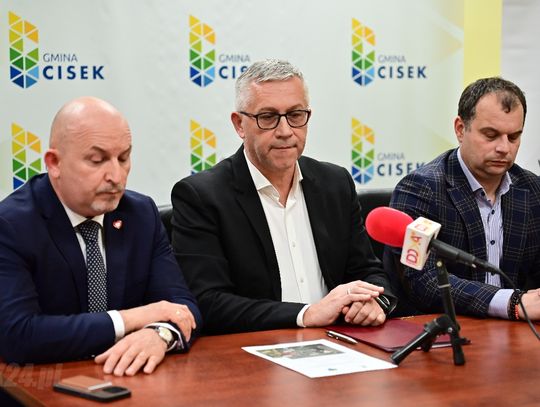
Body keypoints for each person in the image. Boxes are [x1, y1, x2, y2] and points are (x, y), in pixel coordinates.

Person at [171, 59, 396, 335]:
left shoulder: (335, 184)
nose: (285, 131)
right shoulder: (201, 196)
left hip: (340, 342)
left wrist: (374, 302)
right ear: (239, 124)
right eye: (267, 117)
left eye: (295, 115)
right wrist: (306, 314)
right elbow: (208, 302)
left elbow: (368, 271)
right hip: (256, 348)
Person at [0, 97, 202, 376]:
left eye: (124, 158)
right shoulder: (12, 225)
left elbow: (181, 307)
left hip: (129, 379)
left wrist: (159, 334)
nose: (116, 176)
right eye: (97, 161)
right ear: (54, 163)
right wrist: (132, 319)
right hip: (44, 383)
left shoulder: (140, 214)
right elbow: (18, 335)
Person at [386, 77, 540, 321]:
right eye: (491, 135)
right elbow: (421, 280)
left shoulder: (532, 189)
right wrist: (510, 302)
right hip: (445, 330)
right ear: (460, 129)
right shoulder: (420, 188)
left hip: (518, 331)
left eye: (513, 137)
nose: (504, 148)